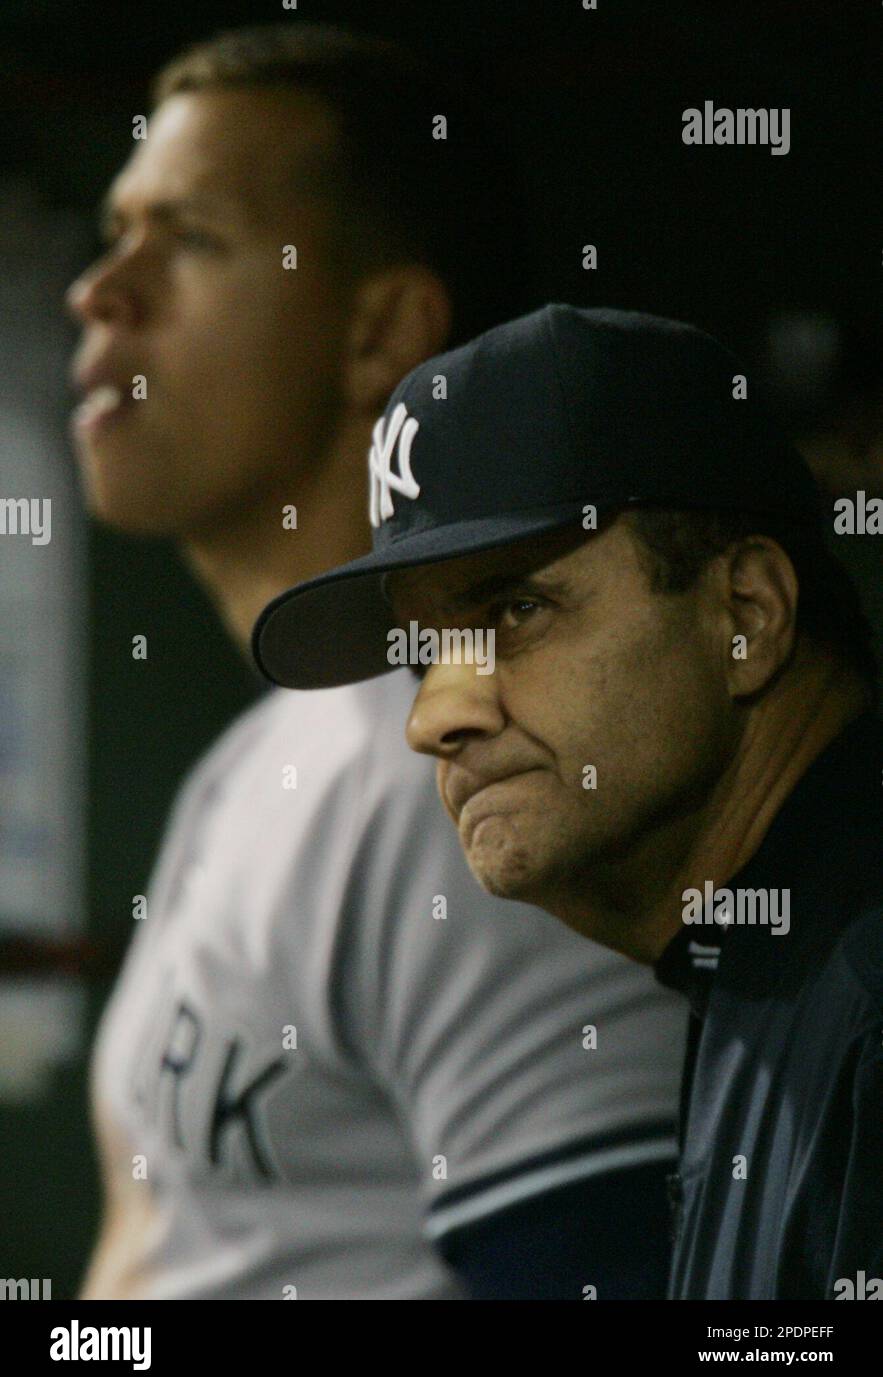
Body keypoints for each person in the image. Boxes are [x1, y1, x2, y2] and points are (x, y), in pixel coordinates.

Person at [67, 30, 686, 1300]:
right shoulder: (265, 762)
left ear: (379, 333)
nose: (101, 289)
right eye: (114, 230)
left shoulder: (469, 774)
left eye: (186, 237)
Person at [254, 303, 883, 1300]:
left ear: (746, 617)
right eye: (423, 652)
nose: (433, 718)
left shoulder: (859, 989)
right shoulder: (763, 972)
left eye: (515, 608)